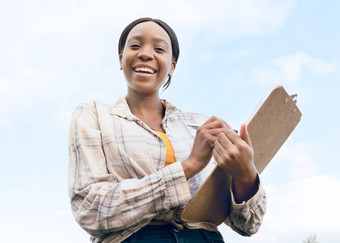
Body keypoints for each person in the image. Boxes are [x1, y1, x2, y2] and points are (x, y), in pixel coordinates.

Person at [68, 17, 266, 243]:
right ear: (121, 59)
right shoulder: (94, 114)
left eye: (159, 49)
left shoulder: (201, 126)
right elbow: (90, 210)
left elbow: (248, 225)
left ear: (172, 66)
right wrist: (189, 167)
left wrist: (245, 174)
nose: (145, 53)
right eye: (135, 46)